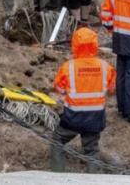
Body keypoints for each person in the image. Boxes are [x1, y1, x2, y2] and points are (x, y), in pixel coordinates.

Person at [51, 27, 116, 173]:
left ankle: (56, 178)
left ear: (75, 45)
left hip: (73, 117)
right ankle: (94, 180)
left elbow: (59, 89)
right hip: (95, 117)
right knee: (91, 150)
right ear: (95, 45)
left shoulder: (68, 67)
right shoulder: (105, 67)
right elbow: (112, 89)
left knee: (57, 141)